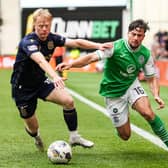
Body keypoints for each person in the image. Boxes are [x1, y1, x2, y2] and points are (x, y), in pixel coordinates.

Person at [10, 8, 112, 152]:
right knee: (33, 128)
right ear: (35, 25)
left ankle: (74, 136)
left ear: (50, 25)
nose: (44, 29)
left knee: (68, 101)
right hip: (22, 88)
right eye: (40, 26)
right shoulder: (28, 42)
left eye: (47, 25)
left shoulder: (52, 38)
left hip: (40, 82)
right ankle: (37, 137)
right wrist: (55, 76)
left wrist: (98, 46)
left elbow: (77, 42)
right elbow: (40, 61)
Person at [57, 19, 168, 147]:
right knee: (125, 136)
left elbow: (151, 77)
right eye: (133, 34)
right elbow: (91, 58)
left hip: (131, 85)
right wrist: (71, 64)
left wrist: (156, 95)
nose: (136, 38)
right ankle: (121, 122)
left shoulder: (145, 53)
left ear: (144, 36)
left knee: (147, 113)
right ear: (128, 34)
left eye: (140, 35)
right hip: (113, 92)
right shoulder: (114, 47)